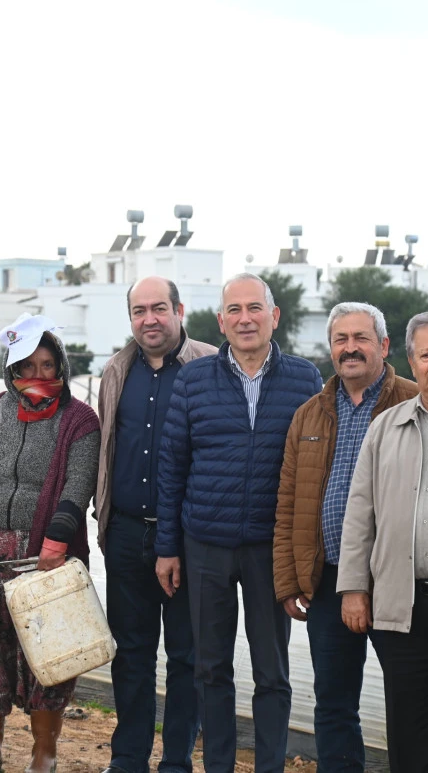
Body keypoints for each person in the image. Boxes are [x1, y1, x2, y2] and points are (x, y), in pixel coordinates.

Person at [157, 273, 322, 773]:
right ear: (221, 322)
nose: (245, 318)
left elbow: (315, 471)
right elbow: (172, 467)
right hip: (204, 542)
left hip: (271, 549)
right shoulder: (194, 379)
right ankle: (220, 766)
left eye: (255, 308)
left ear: (275, 316)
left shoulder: (304, 378)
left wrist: (304, 554)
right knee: (211, 668)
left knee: (272, 671)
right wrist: (168, 547)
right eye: (235, 310)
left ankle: (270, 767)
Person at [0, 313, 100, 773]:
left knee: (47, 653)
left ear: (62, 367)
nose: (37, 375)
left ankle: (43, 755)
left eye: (47, 365)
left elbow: (78, 483)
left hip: (46, 554)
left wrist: (57, 538)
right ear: (11, 371)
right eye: (26, 366)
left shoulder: (79, 419)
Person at [336, 308, 428, 770]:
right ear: (411, 361)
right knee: (410, 733)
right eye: (426, 354)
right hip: (400, 608)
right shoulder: (387, 426)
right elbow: (360, 512)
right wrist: (354, 587)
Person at [273, 302, 418, 772]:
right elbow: (289, 502)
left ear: (384, 345)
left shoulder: (414, 403)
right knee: (333, 702)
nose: (350, 348)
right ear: (331, 347)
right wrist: (289, 580)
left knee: (409, 703)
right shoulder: (309, 414)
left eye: (361, 338)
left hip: (397, 581)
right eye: (341, 339)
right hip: (329, 579)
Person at [94, 277, 214, 773]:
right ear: (130, 318)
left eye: (159, 308)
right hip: (125, 533)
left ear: (179, 310)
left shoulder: (210, 366)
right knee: (131, 654)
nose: (150, 319)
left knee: (188, 658)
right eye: (140, 310)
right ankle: (128, 760)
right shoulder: (116, 370)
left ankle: (177, 763)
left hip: (188, 537)